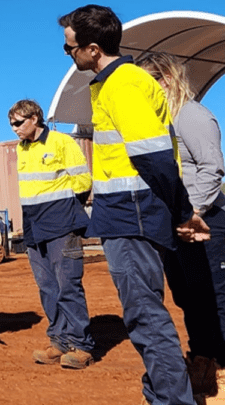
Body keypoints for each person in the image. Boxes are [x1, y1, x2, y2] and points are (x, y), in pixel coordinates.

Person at [59, 5, 210, 404]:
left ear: (92, 49)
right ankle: (161, 391)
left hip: (133, 215)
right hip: (127, 213)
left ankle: (171, 399)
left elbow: (153, 156)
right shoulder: (113, 84)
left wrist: (182, 213)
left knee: (145, 315)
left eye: (69, 48)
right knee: (144, 313)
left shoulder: (123, 84)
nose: (68, 54)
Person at [136, 51, 225, 391]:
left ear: (167, 79)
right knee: (189, 298)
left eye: (150, 81)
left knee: (214, 298)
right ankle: (203, 360)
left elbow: (212, 167)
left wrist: (195, 213)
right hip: (177, 226)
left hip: (206, 224)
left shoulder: (191, 115)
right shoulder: (163, 122)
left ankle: (220, 367)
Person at [9, 99, 95, 369]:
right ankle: (58, 340)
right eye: (11, 124)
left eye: (18, 123)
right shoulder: (21, 149)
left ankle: (81, 345)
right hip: (35, 227)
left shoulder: (61, 143)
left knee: (68, 285)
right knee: (47, 287)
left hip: (61, 224)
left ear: (35, 118)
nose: (14, 129)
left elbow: (82, 182)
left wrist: (65, 211)